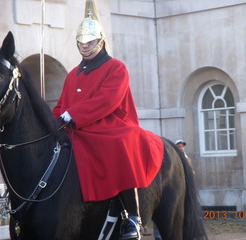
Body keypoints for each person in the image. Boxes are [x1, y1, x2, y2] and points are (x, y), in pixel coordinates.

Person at [52, 1, 164, 239]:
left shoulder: (116, 67)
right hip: (78, 126)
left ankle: (132, 217)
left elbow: (108, 100)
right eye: (81, 42)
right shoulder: (73, 74)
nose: (85, 46)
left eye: (89, 42)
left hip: (111, 122)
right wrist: (51, 121)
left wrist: (75, 114)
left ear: (100, 41)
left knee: (119, 143)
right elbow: (61, 104)